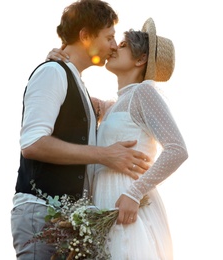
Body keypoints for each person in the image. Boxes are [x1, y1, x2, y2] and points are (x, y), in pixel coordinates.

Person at [10, 1, 152, 259]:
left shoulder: (78, 85)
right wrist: (104, 154)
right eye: (109, 37)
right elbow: (33, 144)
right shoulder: (52, 73)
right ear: (85, 35)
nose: (112, 46)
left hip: (68, 221)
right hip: (40, 214)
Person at [49, 17, 188, 260]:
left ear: (140, 59)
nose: (114, 48)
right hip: (103, 204)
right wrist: (60, 61)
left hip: (127, 206)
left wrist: (135, 194)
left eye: (122, 45)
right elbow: (73, 96)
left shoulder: (143, 93)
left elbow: (177, 149)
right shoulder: (113, 106)